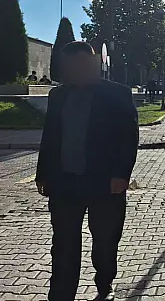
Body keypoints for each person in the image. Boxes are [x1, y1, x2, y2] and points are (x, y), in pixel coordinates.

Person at [35, 41, 138, 301]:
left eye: (82, 64)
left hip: (105, 183)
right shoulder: (57, 96)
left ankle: (105, 284)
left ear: (92, 63)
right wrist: (43, 173)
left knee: (104, 242)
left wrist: (121, 175)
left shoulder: (118, 94)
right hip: (64, 183)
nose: (76, 70)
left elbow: (129, 137)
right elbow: (50, 136)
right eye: (70, 66)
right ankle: (60, 295)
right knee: (64, 244)